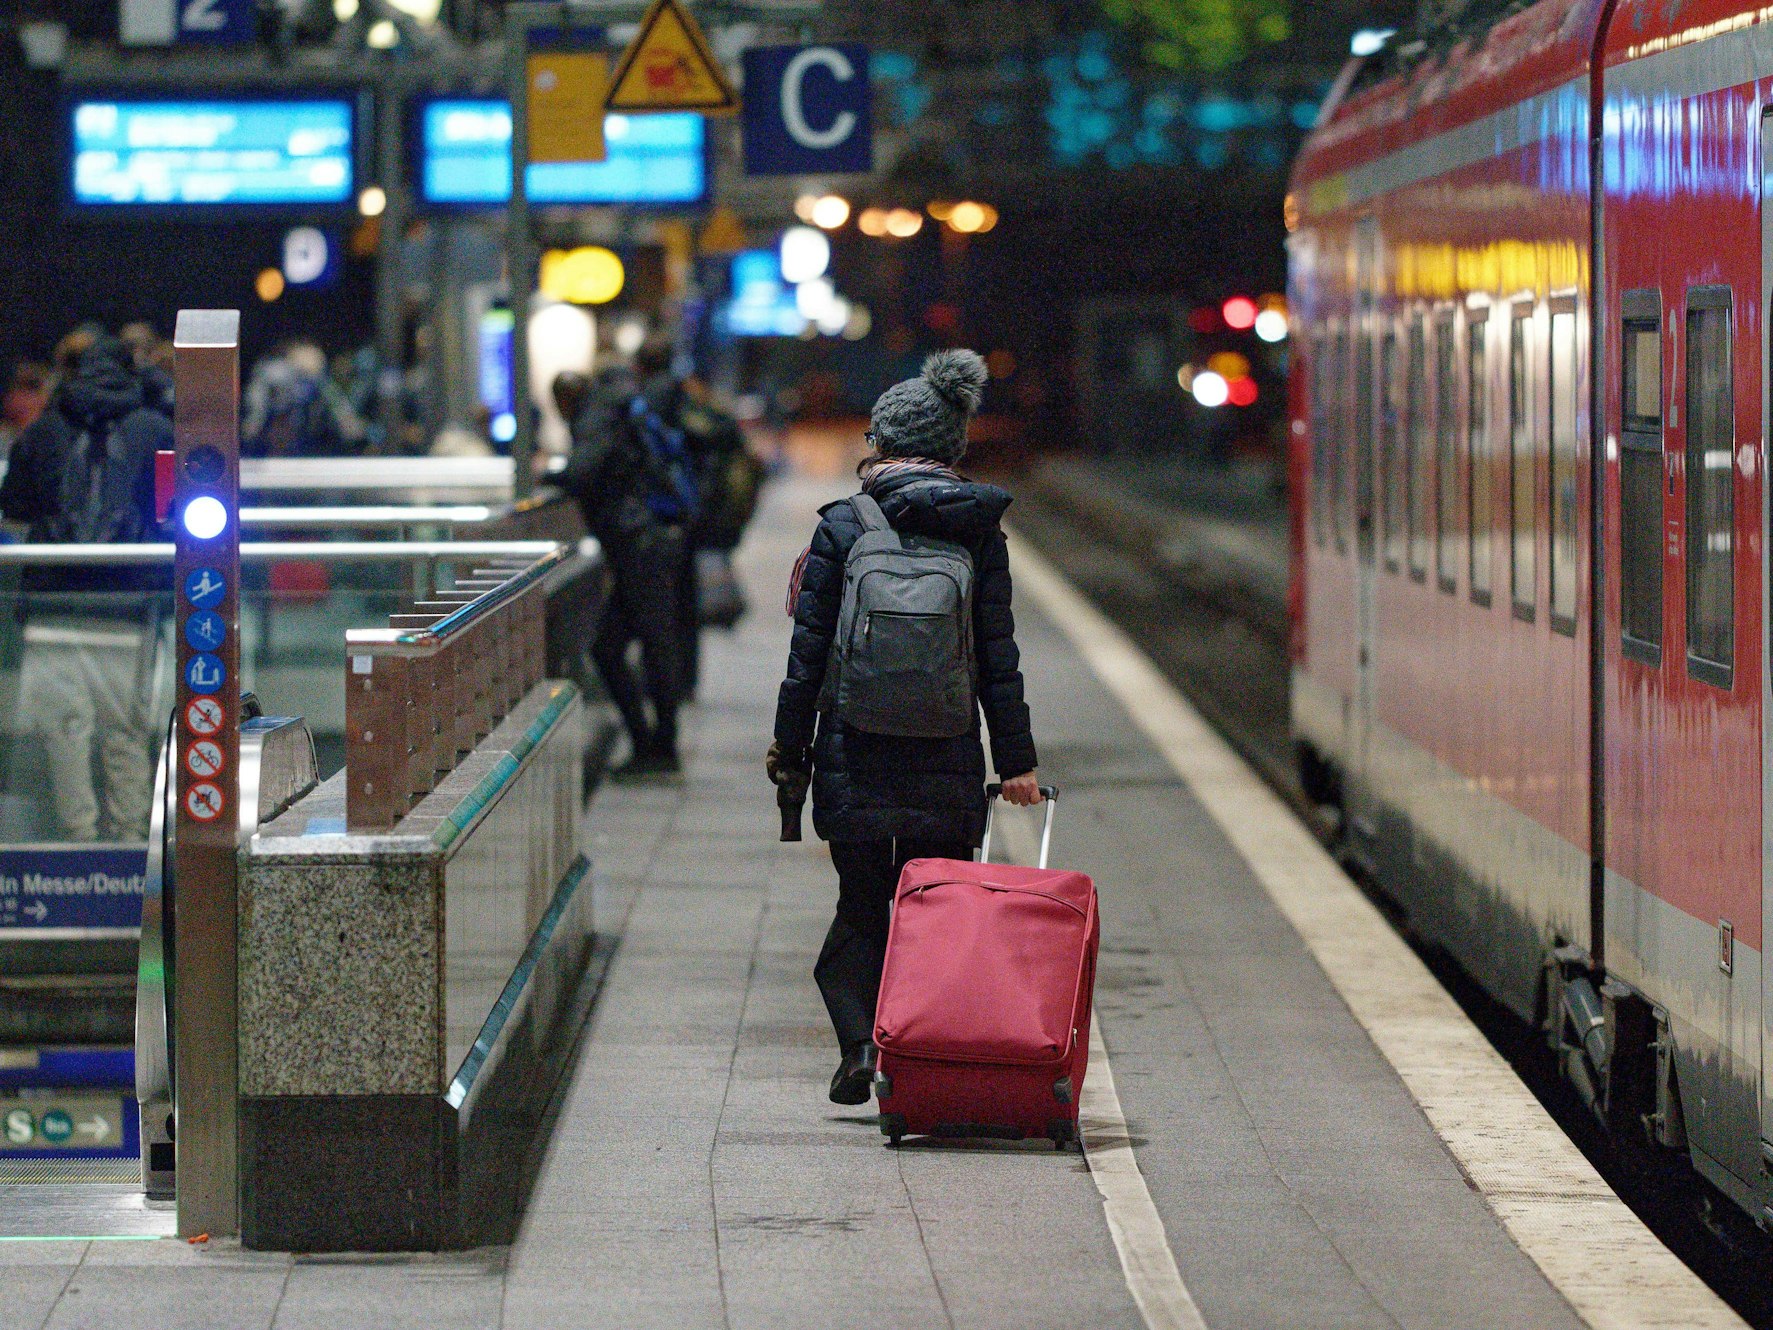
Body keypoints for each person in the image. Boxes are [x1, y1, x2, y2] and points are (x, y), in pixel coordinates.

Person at [768, 349, 1044, 1106]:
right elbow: (996, 657)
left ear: (881, 442)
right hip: (947, 751)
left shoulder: (843, 526)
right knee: (934, 910)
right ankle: (921, 1056)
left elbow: (807, 657)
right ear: (951, 446)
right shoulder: (979, 527)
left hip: (852, 751)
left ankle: (859, 1046)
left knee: (861, 908)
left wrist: (790, 752)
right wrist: (1015, 762)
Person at [0, 336, 170, 841]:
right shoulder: (157, 430)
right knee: (126, 733)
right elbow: (169, 514)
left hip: (53, 606)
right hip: (127, 605)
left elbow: (13, 507)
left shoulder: (43, 431)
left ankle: (78, 839)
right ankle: (131, 844)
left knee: (65, 732)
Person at [555, 364, 685, 779]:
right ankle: (653, 746)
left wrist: (550, 473)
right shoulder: (612, 411)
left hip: (638, 546)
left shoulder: (596, 417)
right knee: (635, 645)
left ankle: (658, 749)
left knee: (627, 645)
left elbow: (581, 471)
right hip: (645, 542)